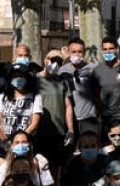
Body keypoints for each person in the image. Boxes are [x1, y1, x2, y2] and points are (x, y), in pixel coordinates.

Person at [36, 50, 76, 179]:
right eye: (52, 60)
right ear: (45, 60)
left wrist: (70, 129)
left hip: (58, 133)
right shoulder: (33, 80)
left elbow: (68, 106)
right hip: (38, 132)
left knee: (57, 168)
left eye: (59, 61)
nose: (55, 64)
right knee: (39, 167)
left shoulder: (61, 81)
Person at [58, 38, 101, 139]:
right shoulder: (62, 71)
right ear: (68, 52)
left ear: (84, 52)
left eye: (80, 52)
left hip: (89, 118)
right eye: (73, 52)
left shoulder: (93, 69)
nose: (77, 54)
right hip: (69, 120)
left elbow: (99, 93)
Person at [0, 63, 43, 150]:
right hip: (4, 143)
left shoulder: (35, 97)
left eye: (20, 76)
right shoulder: (2, 97)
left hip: (25, 143)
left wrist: (20, 140)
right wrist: (7, 142)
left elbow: (34, 124)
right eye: (14, 77)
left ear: (27, 77)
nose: (17, 79)